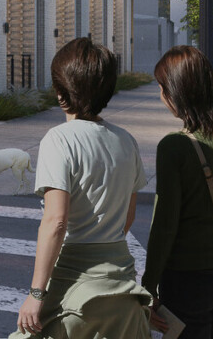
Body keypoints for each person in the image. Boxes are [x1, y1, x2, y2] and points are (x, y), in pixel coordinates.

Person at [12, 37, 150, 339]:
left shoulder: (58, 140)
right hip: (122, 289)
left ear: (62, 92)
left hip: (72, 290)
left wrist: (36, 294)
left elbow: (56, 221)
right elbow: (127, 217)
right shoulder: (127, 141)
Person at [142, 45, 213, 339]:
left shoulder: (175, 147)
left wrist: (148, 287)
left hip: (189, 281)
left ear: (176, 92)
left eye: (162, 87)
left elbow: (164, 226)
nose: (161, 95)